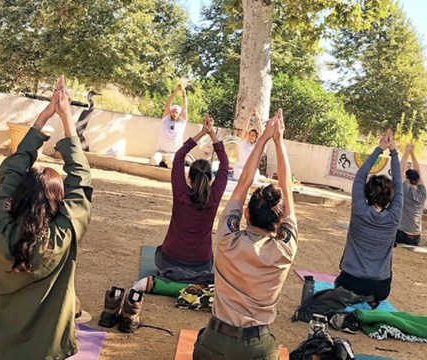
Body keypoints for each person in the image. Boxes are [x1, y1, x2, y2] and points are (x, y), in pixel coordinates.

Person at [0, 76, 93, 360]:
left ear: (18, 197)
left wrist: (41, 121)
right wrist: (68, 120)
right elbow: (80, 180)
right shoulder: (61, 236)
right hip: (41, 352)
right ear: (58, 203)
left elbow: (10, 173)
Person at [99, 114, 229, 332]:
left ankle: (162, 281)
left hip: (168, 260)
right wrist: (212, 134)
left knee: (159, 253)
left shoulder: (180, 193)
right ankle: (187, 282)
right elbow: (225, 164)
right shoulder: (214, 198)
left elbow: (178, 157)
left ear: (190, 178)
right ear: (209, 178)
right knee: (209, 266)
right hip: (201, 266)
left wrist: (200, 134)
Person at [193, 109, 297, 359]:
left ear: (246, 215)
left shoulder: (228, 239)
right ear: (279, 220)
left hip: (214, 344)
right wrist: (278, 141)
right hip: (256, 349)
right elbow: (288, 190)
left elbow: (242, 184)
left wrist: (262, 140)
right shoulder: (284, 249)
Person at [335, 129, 402, 304]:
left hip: (350, 283)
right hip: (379, 289)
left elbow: (360, 175)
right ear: (390, 196)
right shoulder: (394, 215)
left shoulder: (359, 210)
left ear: (367, 193)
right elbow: (398, 182)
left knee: (340, 284)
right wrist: (393, 151)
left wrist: (380, 148)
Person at [395, 143, 427, 246]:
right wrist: (412, 153)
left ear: (407, 179)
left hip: (402, 235)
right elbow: (419, 172)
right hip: (416, 238)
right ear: (417, 180)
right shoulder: (422, 193)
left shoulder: (406, 190)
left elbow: (400, 170)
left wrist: (406, 152)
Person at [149, 84, 188, 168]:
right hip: (161, 152)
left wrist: (184, 93)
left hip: (173, 153)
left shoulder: (181, 123)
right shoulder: (166, 120)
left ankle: (167, 162)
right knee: (153, 161)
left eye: (176, 112)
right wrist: (176, 90)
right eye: (173, 111)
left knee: (171, 165)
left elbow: (185, 108)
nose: (174, 113)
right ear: (170, 112)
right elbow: (168, 104)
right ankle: (162, 162)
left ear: (179, 114)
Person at [233, 109, 263, 180]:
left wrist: (257, 117)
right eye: (250, 135)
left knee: (252, 177)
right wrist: (249, 116)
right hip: (240, 168)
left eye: (253, 135)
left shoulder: (257, 145)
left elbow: (261, 131)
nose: (251, 137)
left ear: (256, 137)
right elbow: (245, 128)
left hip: (251, 170)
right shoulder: (244, 142)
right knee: (239, 175)